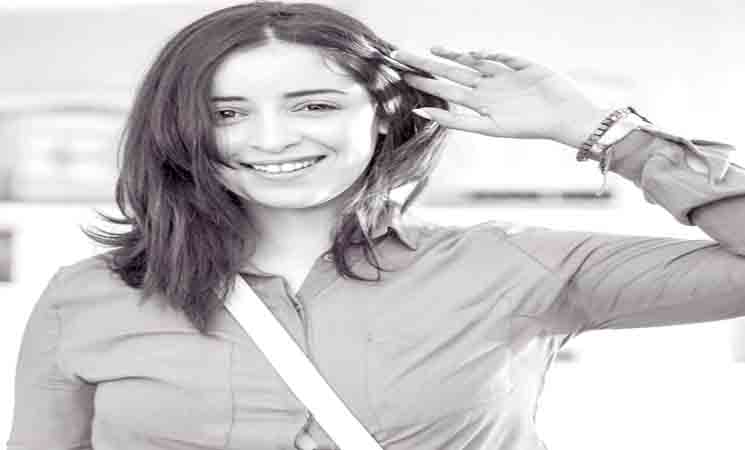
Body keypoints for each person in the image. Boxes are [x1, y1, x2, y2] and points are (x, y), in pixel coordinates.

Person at [6, 2, 745, 450]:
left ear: (385, 115)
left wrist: (603, 131)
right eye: (227, 113)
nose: (272, 140)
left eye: (314, 105)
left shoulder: (515, 266)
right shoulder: (86, 297)